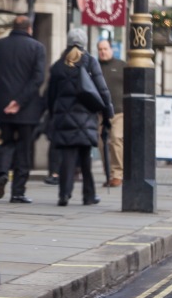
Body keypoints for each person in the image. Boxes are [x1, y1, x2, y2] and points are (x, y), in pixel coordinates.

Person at [0, 15, 46, 204]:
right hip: (27, 108)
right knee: (24, 148)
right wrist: (19, 101)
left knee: (6, 142)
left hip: (4, 105)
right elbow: (38, 78)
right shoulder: (37, 48)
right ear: (30, 29)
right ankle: (18, 191)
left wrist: (6, 95)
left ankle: (2, 173)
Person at [46, 37, 113, 207]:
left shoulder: (58, 65)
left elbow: (51, 95)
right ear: (84, 43)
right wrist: (107, 114)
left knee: (67, 158)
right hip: (86, 118)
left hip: (64, 118)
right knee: (85, 159)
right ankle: (88, 195)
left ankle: (64, 194)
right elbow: (102, 90)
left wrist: (53, 115)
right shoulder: (90, 62)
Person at [97, 38, 125, 187]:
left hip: (119, 112)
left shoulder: (121, 65)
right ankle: (108, 174)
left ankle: (117, 174)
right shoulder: (94, 67)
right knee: (102, 144)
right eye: (100, 49)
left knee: (115, 140)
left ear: (111, 49)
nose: (103, 52)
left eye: (105, 49)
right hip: (101, 113)